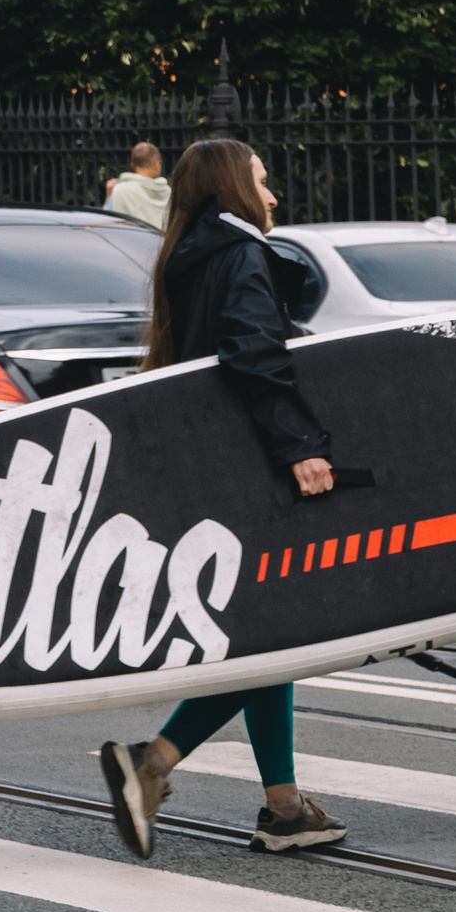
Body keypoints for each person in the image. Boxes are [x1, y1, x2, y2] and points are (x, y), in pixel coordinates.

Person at [96, 137, 344, 859]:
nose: (273, 198)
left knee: (267, 636)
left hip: (207, 467)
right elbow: (254, 356)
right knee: (272, 635)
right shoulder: (241, 255)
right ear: (234, 188)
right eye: (263, 183)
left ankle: (285, 805)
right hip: (252, 467)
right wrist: (301, 448)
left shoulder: (188, 257)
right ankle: (150, 764)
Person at [104, 140, 170, 230]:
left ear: (132, 165)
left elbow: (105, 221)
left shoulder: (120, 191)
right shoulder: (168, 193)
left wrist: (109, 194)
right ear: (157, 164)